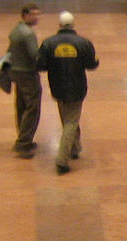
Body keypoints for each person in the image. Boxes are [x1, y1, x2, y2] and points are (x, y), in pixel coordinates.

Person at [36, 11, 98, 175]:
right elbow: (92, 64)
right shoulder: (83, 43)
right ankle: (62, 159)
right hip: (76, 87)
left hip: (57, 86)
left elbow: (40, 65)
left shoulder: (48, 43)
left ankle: (75, 147)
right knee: (71, 121)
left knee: (67, 118)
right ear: (73, 25)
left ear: (60, 25)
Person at [7, 4, 42, 157]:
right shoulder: (28, 34)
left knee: (21, 105)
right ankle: (24, 142)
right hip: (28, 74)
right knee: (32, 107)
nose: (36, 18)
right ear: (25, 15)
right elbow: (35, 55)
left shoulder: (16, 30)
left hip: (16, 71)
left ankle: (22, 137)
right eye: (33, 14)